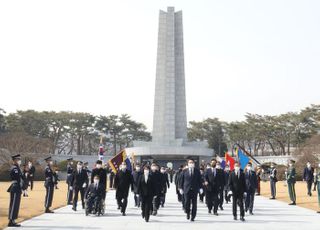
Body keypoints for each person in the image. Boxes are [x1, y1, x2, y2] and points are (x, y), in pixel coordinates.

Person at [7, 154, 24, 227]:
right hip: (15, 187)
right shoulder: (15, 168)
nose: (19, 161)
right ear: (14, 160)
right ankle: (11, 221)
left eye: (19, 159)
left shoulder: (18, 168)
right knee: (14, 204)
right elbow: (17, 177)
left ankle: (13, 220)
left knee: (16, 204)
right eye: (18, 159)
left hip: (17, 187)